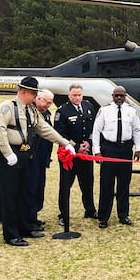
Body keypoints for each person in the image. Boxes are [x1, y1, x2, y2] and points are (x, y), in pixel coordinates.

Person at [0, 76, 76, 247]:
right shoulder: (7, 107)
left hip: (24, 155)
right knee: (10, 195)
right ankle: (11, 234)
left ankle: (25, 227)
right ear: (24, 92)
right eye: (33, 93)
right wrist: (8, 153)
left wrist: (65, 142)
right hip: (7, 156)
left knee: (24, 193)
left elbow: (43, 128)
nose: (35, 96)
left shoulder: (31, 110)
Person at [92, 86, 140, 228]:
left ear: (125, 96)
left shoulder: (131, 111)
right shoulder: (105, 110)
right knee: (106, 185)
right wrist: (97, 150)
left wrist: (137, 149)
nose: (119, 98)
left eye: (121, 96)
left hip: (125, 149)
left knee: (124, 184)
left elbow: (136, 130)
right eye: (116, 96)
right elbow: (96, 131)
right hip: (109, 149)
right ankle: (103, 217)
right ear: (112, 96)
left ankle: (123, 215)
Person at [53, 84, 97, 227]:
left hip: (86, 154)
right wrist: (77, 147)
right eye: (74, 95)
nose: (77, 98)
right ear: (69, 95)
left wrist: (89, 143)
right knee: (66, 185)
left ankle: (90, 209)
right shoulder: (62, 111)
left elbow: (93, 128)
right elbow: (60, 133)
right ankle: (63, 214)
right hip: (69, 155)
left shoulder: (88, 106)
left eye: (79, 95)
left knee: (87, 183)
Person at [25, 89, 55, 230]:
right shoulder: (29, 113)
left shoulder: (47, 114)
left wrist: (48, 156)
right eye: (46, 102)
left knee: (39, 188)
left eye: (50, 103)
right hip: (31, 157)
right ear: (39, 99)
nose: (48, 106)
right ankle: (29, 220)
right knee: (30, 188)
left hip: (42, 156)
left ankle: (34, 216)